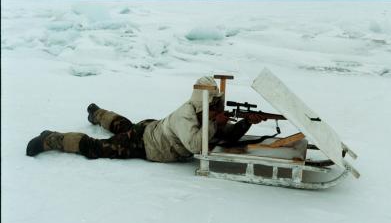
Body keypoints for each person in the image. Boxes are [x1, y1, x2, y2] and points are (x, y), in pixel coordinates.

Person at [26, 76, 263, 162]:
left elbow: (227, 135)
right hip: (147, 144)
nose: (215, 108)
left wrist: (246, 122)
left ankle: (97, 113)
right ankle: (51, 139)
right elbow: (195, 146)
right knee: (97, 148)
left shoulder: (204, 115)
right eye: (213, 104)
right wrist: (215, 123)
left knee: (126, 127)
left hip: (152, 130)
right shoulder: (186, 115)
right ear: (203, 101)